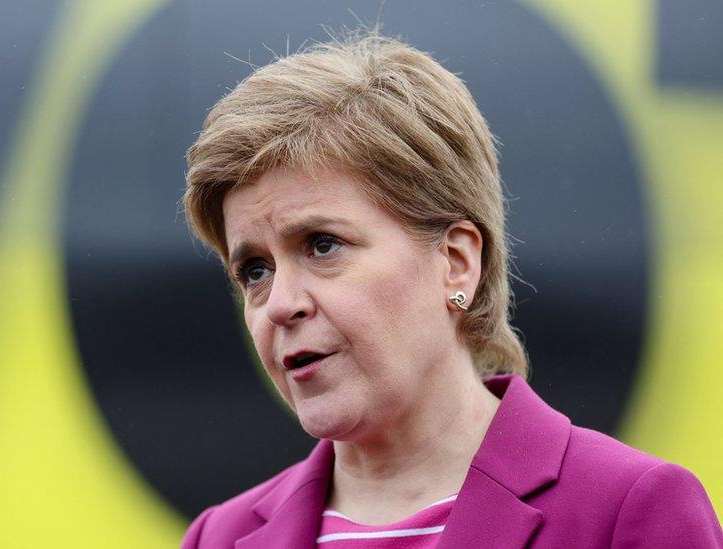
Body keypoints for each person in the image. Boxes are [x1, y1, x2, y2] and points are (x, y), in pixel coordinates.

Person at [179, 32, 722, 548]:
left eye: (322, 245)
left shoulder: (629, 512)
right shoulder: (217, 538)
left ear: (457, 263)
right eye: (254, 270)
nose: (279, 304)